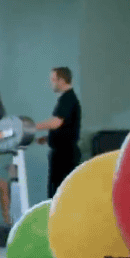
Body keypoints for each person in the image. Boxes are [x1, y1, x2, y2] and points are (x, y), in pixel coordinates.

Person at [34, 67, 81, 198]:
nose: (51, 83)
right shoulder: (66, 99)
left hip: (65, 156)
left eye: (53, 80)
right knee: (57, 192)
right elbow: (66, 127)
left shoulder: (68, 99)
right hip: (62, 153)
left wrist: (31, 127)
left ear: (61, 80)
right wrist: (48, 138)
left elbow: (56, 122)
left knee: (60, 194)